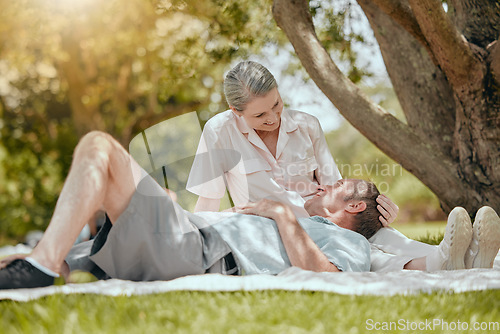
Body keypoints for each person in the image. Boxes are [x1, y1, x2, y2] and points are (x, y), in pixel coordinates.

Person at [0, 132, 379, 290]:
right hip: (183, 240)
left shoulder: (348, 242)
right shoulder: (304, 223)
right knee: (28, 258)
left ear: (355, 205)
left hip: (198, 252)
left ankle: (42, 267)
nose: (329, 183)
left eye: (339, 186)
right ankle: (48, 260)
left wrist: (280, 213)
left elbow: (328, 277)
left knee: (99, 145)